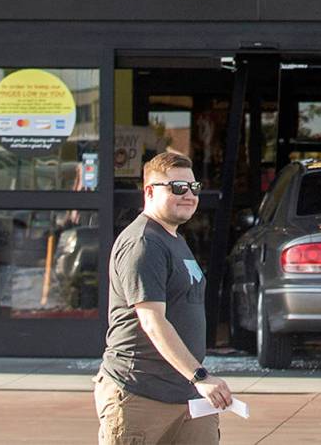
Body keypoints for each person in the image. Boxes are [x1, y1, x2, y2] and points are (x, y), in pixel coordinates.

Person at [94, 152, 233, 445]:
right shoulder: (144, 243)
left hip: (187, 395)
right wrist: (199, 376)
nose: (188, 196)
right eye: (177, 188)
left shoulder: (173, 238)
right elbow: (152, 321)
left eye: (193, 188)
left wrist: (196, 380)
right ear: (149, 191)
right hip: (140, 394)